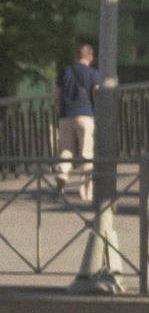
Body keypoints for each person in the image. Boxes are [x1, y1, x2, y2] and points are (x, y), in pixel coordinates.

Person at [53, 43, 100, 203]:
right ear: (91, 58)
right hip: (85, 116)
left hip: (66, 117)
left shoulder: (64, 72)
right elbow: (97, 94)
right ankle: (86, 192)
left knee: (66, 150)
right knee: (86, 155)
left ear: (75, 57)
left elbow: (57, 96)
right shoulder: (93, 73)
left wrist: (60, 112)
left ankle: (62, 171)